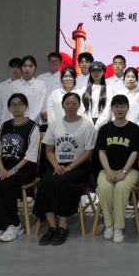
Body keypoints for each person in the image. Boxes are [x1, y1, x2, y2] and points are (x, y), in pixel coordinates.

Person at [34, 93, 96, 246]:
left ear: (79, 105)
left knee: (63, 182)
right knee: (46, 181)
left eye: (74, 103)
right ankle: (52, 226)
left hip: (79, 166)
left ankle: (63, 226)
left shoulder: (87, 125)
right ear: (62, 105)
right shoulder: (55, 124)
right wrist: (56, 166)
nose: (70, 106)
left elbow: (89, 152)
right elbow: (49, 150)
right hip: (57, 165)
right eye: (67, 103)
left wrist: (70, 167)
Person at [0, 93, 40, 243]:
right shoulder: (4, 126)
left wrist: (14, 170)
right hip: (4, 167)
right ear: (9, 108)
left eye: (20, 104)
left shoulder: (32, 127)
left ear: (25, 106)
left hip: (25, 168)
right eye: (13, 105)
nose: (16, 107)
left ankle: (14, 225)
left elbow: (31, 155)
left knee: (6, 185)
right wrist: (1, 168)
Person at [95, 95, 139, 243]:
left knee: (121, 187)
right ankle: (108, 225)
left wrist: (124, 171)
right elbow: (101, 152)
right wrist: (108, 171)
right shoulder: (105, 129)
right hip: (107, 169)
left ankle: (118, 227)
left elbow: (135, 152)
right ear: (112, 108)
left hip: (130, 171)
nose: (119, 109)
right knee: (104, 187)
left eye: (122, 106)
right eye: (116, 106)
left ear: (128, 108)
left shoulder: (134, 129)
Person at [5, 55, 47, 124]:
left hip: (34, 122)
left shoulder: (41, 84)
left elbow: (39, 106)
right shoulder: (14, 84)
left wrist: (28, 122)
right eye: (25, 66)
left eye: (30, 66)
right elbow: (10, 104)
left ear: (35, 67)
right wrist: (15, 120)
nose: (27, 69)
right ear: (21, 67)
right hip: (16, 122)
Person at [78, 61, 113, 131]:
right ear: (90, 72)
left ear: (103, 72)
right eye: (93, 70)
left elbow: (107, 109)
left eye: (99, 70)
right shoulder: (84, 89)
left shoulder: (108, 89)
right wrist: (90, 126)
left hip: (103, 125)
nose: (96, 73)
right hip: (87, 125)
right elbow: (83, 108)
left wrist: (97, 127)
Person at [114, 67, 139, 131]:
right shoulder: (119, 93)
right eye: (128, 77)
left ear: (137, 79)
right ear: (124, 78)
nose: (130, 79)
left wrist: (137, 129)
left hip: (136, 130)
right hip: (119, 129)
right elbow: (114, 112)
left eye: (133, 77)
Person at [0, 57, 22, 130]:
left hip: (22, 123)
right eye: (12, 67)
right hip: (5, 122)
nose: (15, 70)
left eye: (18, 68)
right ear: (9, 69)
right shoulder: (2, 85)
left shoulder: (25, 85)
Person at [38, 52, 64, 126]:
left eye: (55, 61)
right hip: (40, 117)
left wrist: (50, 113)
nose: (52, 63)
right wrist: (42, 111)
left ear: (60, 63)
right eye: (50, 61)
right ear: (47, 62)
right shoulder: (40, 78)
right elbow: (37, 98)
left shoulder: (64, 78)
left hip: (58, 116)